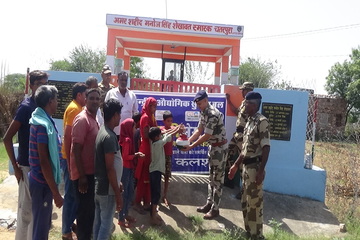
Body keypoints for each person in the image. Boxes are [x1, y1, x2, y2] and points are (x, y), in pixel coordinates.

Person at [3, 70, 48, 240]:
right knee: (26, 213)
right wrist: (15, 167)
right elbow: (7, 138)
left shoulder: (42, 106)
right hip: (27, 167)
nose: (42, 88)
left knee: (37, 214)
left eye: (45, 84)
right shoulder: (26, 107)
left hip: (40, 168)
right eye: (39, 84)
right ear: (31, 85)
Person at [228, 92, 270, 240]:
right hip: (245, 168)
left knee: (255, 204)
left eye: (246, 103)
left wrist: (261, 171)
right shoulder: (249, 122)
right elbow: (245, 150)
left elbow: (266, 147)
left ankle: (257, 236)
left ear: (254, 104)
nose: (244, 105)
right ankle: (249, 233)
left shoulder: (261, 121)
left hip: (254, 168)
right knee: (245, 203)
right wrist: (235, 165)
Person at [181, 90, 227, 220]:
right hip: (212, 148)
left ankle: (215, 209)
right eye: (197, 104)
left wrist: (191, 146)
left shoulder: (213, 114)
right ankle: (209, 203)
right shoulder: (203, 112)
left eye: (200, 103)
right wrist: (188, 140)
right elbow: (198, 130)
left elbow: (206, 135)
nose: (198, 106)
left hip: (219, 149)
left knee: (217, 180)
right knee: (211, 178)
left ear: (206, 100)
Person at [28, 85, 64, 239]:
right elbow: (44, 162)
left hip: (42, 182)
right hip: (42, 183)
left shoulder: (42, 119)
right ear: (50, 101)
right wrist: (56, 193)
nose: (57, 102)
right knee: (41, 229)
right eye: (56, 100)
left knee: (42, 225)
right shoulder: (43, 126)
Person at [69, 88, 100, 240]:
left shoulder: (94, 119)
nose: (95, 101)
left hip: (90, 173)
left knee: (89, 214)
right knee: (84, 215)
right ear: (85, 100)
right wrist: (82, 176)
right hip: (83, 176)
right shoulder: (82, 119)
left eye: (97, 98)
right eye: (91, 98)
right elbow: (76, 149)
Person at [93, 99, 123, 240]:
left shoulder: (103, 131)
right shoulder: (109, 137)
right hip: (107, 189)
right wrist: (117, 194)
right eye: (120, 114)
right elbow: (110, 168)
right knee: (106, 225)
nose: (121, 117)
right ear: (115, 115)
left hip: (101, 187)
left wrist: (118, 182)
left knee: (98, 223)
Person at [61, 82, 87, 240]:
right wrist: (71, 164)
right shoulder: (74, 109)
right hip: (69, 159)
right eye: (85, 95)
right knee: (70, 196)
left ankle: (70, 224)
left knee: (75, 195)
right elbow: (67, 136)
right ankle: (65, 231)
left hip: (72, 159)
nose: (86, 98)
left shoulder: (76, 108)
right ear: (79, 95)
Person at [224, 82, 254, 196]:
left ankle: (243, 190)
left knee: (242, 163)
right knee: (229, 156)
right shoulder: (243, 103)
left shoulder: (251, 104)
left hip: (243, 136)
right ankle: (229, 181)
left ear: (248, 90)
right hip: (237, 135)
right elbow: (237, 112)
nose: (241, 92)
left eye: (243, 90)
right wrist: (228, 100)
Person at [148, 125, 182, 225]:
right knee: (156, 194)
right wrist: (177, 129)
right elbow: (168, 136)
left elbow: (167, 134)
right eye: (159, 134)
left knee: (155, 194)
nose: (161, 135)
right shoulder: (158, 144)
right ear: (156, 137)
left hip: (155, 171)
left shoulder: (155, 141)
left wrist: (176, 129)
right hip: (155, 172)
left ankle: (153, 213)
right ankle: (153, 217)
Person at [118, 118, 144, 228]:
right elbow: (125, 157)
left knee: (129, 192)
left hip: (128, 168)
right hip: (126, 168)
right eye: (134, 127)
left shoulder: (129, 139)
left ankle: (125, 214)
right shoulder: (127, 140)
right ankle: (121, 218)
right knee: (125, 193)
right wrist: (136, 155)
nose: (135, 129)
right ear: (129, 128)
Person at [134, 97, 157, 214]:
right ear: (148, 106)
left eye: (155, 106)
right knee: (143, 178)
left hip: (150, 148)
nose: (155, 108)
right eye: (153, 106)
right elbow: (147, 136)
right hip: (146, 149)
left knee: (148, 177)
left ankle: (147, 201)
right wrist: (152, 153)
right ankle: (137, 202)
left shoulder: (151, 116)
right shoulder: (145, 118)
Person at [105, 71, 138, 138]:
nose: (123, 82)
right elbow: (105, 111)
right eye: (121, 80)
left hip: (128, 133)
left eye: (125, 80)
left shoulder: (132, 95)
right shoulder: (111, 93)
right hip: (113, 132)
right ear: (117, 80)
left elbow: (135, 113)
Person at [160, 111, 175, 206]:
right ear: (164, 121)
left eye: (171, 121)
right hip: (160, 156)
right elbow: (165, 133)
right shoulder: (161, 130)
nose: (170, 123)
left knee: (166, 177)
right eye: (168, 121)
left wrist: (181, 129)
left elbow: (181, 131)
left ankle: (164, 196)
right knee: (158, 177)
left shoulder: (173, 128)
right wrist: (176, 130)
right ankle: (157, 196)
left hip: (168, 155)